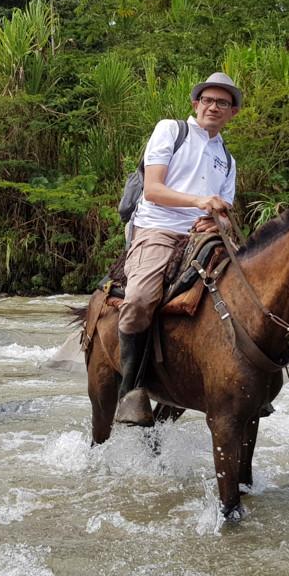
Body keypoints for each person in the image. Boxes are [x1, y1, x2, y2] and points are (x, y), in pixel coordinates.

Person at [115, 71, 241, 426]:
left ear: (233, 113)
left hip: (204, 235)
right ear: (196, 104)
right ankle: (131, 390)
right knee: (139, 298)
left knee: (252, 287)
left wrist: (219, 221)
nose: (214, 107)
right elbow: (153, 189)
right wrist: (201, 202)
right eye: (208, 100)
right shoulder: (171, 130)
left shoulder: (227, 159)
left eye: (223, 103)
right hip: (159, 227)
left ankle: (250, 379)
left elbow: (225, 210)